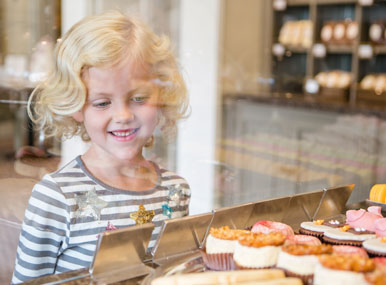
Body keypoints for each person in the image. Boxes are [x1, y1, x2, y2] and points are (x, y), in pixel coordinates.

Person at [12, 10, 190, 284]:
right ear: (76, 106)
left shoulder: (176, 192)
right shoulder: (56, 197)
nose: (122, 115)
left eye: (139, 98)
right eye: (102, 103)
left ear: (161, 96)